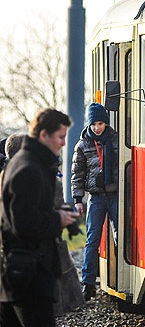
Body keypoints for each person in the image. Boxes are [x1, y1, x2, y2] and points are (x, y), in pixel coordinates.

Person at [0, 108, 79, 327]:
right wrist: (58, 219)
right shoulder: (29, 169)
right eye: (60, 137)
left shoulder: (26, 164)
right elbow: (23, 222)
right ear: (44, 136)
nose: (64, 143)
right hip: (29, 274)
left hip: (21, 271)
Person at [71, 102, 118, 302]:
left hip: (116, 196)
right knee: (92, 241)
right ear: (89, 125)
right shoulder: (83, 145)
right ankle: (88, 283)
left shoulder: (116, 140)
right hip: (96, 198)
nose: (98, 127)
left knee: (120, 236)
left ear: (106, 123)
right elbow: (77, 174)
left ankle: (120, 274)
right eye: (94, 124)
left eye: (101, 123)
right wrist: (78, 199)